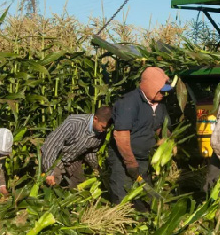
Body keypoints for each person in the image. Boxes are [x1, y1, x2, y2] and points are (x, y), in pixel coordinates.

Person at [108, 67, 172, 208]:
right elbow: (121, 136)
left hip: (144, 158)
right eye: (161, 90)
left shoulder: (159, 105)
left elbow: (161, 128)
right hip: (123, 158)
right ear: (151, 86)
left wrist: (167, 142)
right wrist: (130, 162)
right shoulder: (129, 102)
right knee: (122, 197)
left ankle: (142, 223)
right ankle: (120, 224)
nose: (164, 93)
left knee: (143, 198)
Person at [41, 106, 112, 189]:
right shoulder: (74, 123)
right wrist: (49, 171)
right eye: (103, 127)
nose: (104, 130)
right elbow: (52, 145)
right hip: (56, 158)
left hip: (73, 159)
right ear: (95, 118)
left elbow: (91, 152)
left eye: (106, 128)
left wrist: (96, 167)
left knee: (80, 186)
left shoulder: (102, 132)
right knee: (53, 185)